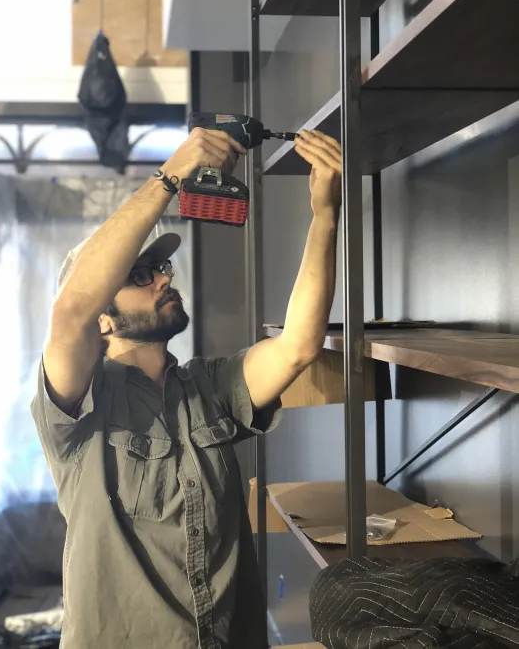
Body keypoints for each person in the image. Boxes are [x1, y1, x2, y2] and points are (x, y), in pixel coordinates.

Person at [31, 126, 343, 649]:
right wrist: (170, 175)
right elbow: (71, 308)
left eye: (161, 269)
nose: (163, 280)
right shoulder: (78, 405)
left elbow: (299, 347)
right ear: (103, 321)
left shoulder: (208, 385)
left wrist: (326, 215)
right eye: (139, 277)